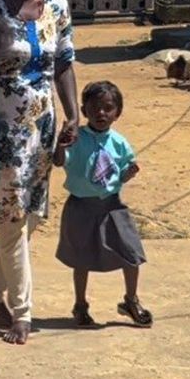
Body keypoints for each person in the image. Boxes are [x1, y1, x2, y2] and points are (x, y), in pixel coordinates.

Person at [0, 0, 81, 346]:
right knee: (12, 216)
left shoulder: (57, 5)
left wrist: (73, 117)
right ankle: (21, 312)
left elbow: (64, 63)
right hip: (1, 127)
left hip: (43, 128)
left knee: (34, 214)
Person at [53, 80, 153, 327]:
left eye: (108, 108)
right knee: (81, 259)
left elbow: (122, 169)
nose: (101, 113)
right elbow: (58, 161)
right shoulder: (76, 139)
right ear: (84, 111)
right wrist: (60, 144)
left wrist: (127, 174)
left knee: (132, 253)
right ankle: (80, 305)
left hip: (112, 206)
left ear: (117, 113)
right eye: (95, 107)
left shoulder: (119, 142)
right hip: (82, 207)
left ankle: (131, 300)